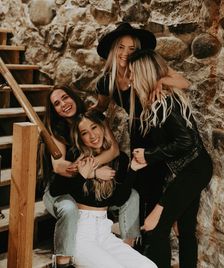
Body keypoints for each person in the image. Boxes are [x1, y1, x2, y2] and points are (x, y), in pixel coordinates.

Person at [94, 21, 190, 247]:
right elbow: (100, 107)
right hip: (137, 132)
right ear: (112, 49)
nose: (125, 53)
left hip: (157, 132)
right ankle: (134, 239)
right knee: (137, 184)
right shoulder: (106, 81)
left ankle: (154, 238)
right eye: (120, 47)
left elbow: (183, 82)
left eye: (131, 48)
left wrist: (161, 80)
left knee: (156, 182)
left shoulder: (145, 68)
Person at [128, 49, 213, 268]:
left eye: (133, 74)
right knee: (184, 230)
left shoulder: (164, 101)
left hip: (193, 169)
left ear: (143, 74)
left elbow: (186, 141)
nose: (130, 79)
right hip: (192, 168)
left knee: (155, 226)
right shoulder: (157, 99)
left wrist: (149, 156)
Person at [42, 86, 140, 267]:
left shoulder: (92, 118)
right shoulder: (56, 130)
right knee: (69, 209)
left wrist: (92, 165)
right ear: (54, 110)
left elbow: (114, 150)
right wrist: (91, 171)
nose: (63, 104)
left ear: (73, 97)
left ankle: (128, 247)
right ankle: (63, 260)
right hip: (59, 189)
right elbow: (59, 166)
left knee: (132, 196)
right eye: (57, 103)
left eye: (65, 97)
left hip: (86, 183)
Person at [49, 110, 157, 268]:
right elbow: (55, 190)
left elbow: (118, 200)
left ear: (102, 127)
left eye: (94, 127)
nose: (92, 136)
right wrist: (85, 175)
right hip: (81, 234)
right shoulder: (76, 156)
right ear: (80, 138)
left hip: (104, 232)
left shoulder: (120, 159)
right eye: (85, 133)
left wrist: (132, 170)